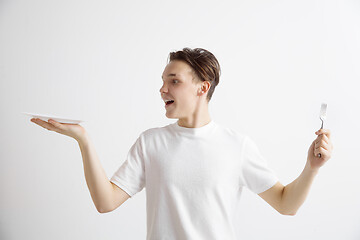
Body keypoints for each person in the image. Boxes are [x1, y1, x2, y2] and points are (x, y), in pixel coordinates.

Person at [30, 47, 334, 240]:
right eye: (163, 81)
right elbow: (105, 203)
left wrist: (312, 167)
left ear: (203, 87)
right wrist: (83, 139)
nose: (162, 89)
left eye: (173, 80)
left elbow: (286, 204)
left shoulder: (236, 145)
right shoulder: (151, 142)